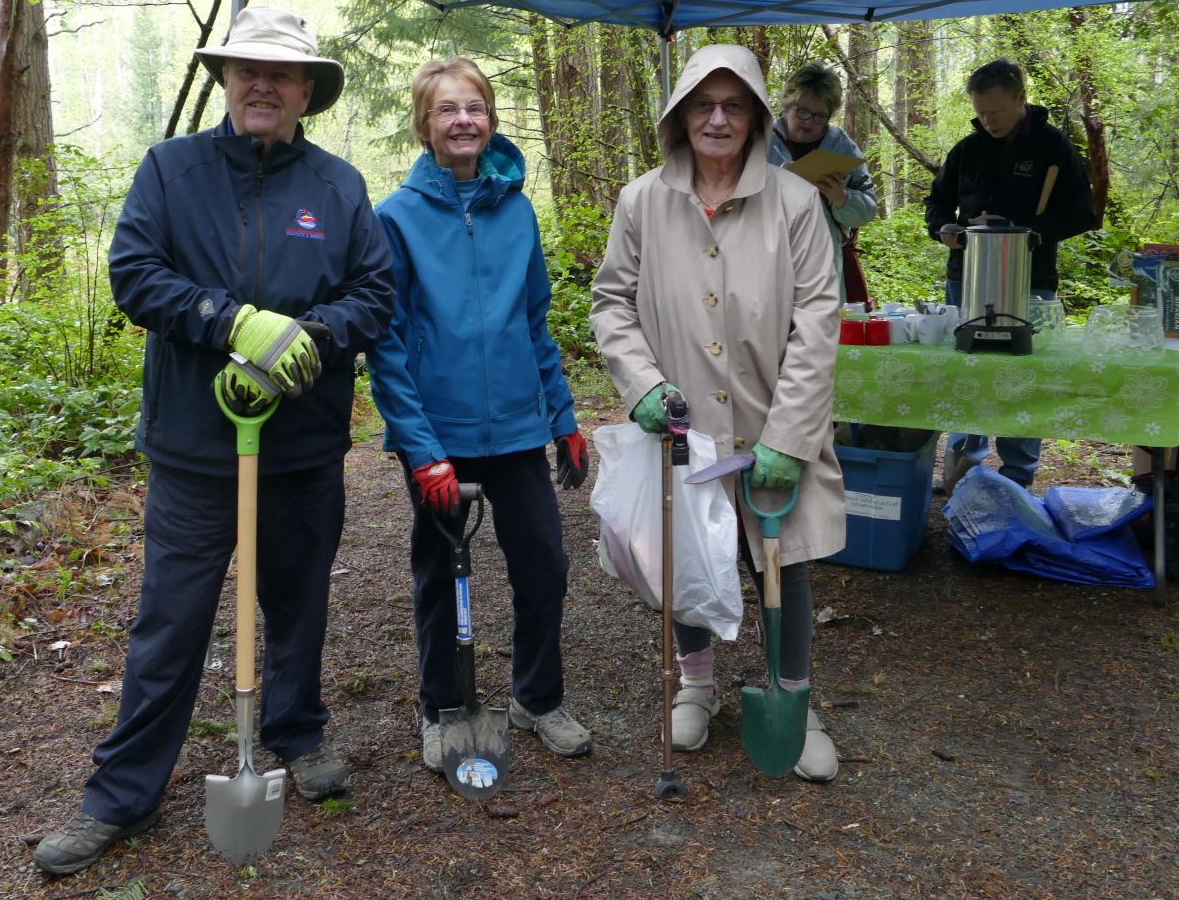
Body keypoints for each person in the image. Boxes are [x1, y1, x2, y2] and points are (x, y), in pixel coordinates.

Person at [34, 6, 395, 876]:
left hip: (303, 447)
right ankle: (120, 795)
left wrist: (307, 338)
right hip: (196, 449)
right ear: (226, 81)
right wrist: (232, 323)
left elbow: (375, 294)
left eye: (281, 74)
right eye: (246, 70)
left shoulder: (338, 186)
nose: (262, 84)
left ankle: (297, 733)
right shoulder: (171, 170)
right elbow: (134, 275)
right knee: (171, 621)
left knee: (298, 601)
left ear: (307, 90)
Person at [590, 43, 846, 780]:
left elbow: (817, 323)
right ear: (679, 116)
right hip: (683, 419)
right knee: (688, 557)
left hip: (771, 416)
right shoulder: (643, 200)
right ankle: (696, 684)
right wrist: (638, 385)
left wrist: (791, 435)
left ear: (758, 117)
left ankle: (791, 701)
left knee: (783, 561)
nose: (718, 119)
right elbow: (611, 302)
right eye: (703, 105)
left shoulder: (795, 203)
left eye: (734, 106)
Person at [367, 58, 594, 775]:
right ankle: (439, 707)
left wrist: (562, 417)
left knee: (545, 564)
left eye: (475, 107)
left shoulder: (517, 210)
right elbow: (388, 343)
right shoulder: (395, 218)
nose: (463, 120)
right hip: (439, 435)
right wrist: (420, 446)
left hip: (519, 429)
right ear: (424, 125)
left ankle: (537, 696)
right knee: (438, 571)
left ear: (490, 119)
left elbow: (536, 324)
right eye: (446, 110)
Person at [924, 57, 1097, 495]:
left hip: (1030, 280)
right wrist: (943, 229)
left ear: (1021, 98)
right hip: (966, 278)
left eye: (996, 112)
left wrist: (1032, 234)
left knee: (1024, 377)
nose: (989, 121)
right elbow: (938, 202)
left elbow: (1083, 213)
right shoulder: (967, 149)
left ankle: (1017, 479)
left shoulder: (1053, 148)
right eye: (981, 113)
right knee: (969, 371)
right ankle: (962, 469)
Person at [766, 61, 878, 303]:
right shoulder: (759, 142)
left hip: (823, 264)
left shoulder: (841, 145)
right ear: (788, 103)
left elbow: (869, 208)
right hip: (767, 263)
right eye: (802, 111)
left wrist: (842, 199)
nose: (809, 122)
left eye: (820, 116)